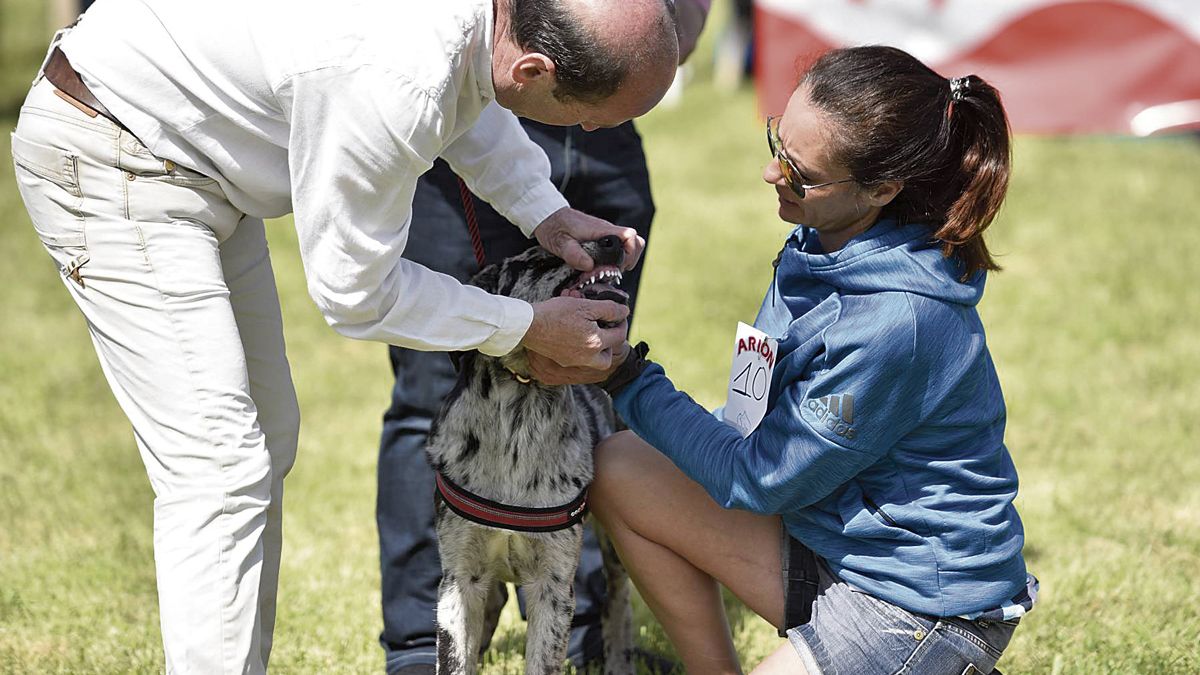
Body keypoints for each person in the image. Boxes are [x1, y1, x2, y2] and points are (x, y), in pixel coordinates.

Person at [9, 0, 679, 672]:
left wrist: (548, 214)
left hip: (188, 155)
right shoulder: (396, 74)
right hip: (112, 145)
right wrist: (525, 327)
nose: (592, 130)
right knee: (221, 464)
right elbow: (356, 292)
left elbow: (471, 100)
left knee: (265, 437)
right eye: (594, 115)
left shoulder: (478, 27)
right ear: (534, 66)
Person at [589, 45, 1037, 674]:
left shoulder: (896, 324)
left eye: (799, 173)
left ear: (882, 188)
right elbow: (751, 421)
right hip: (828, 539)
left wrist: (626, 378)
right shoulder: (820, 238)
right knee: (622, 466)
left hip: (918, 608)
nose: (773, 175)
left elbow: (761, 477)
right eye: (777, 143)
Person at [376, 3, 711, 671]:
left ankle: (577, 626)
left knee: (585, 382)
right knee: (433, 388)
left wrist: (654, 44)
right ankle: (422, 645)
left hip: (608, 108)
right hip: (477, 109)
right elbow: (358, 293)